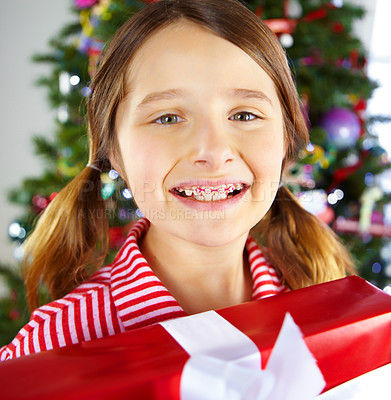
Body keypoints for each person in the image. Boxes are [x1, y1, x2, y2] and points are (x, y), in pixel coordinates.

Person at [0, 0, 354, 361]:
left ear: (285, 140)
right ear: (115, 153)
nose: (214, 152)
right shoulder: (51, 349)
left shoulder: (327, 307)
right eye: (168, 118)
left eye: (245, 114)